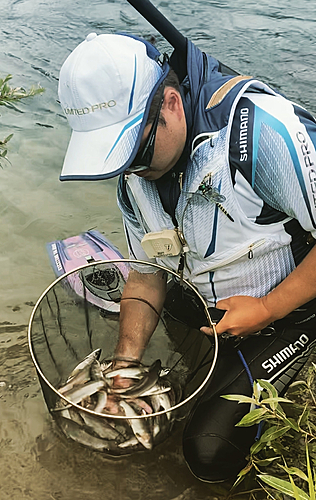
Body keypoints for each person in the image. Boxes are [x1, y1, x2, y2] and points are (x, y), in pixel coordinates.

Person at [57, 32, 316, 482]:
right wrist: (124, 366)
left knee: (208, 451)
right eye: (117, 160)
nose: (131, 170)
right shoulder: (136, 177)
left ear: (172, 103)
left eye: (135, 151)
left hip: (294, 308)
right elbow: (146, 275)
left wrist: (269, 308)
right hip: (212, 303)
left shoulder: (260, 133)